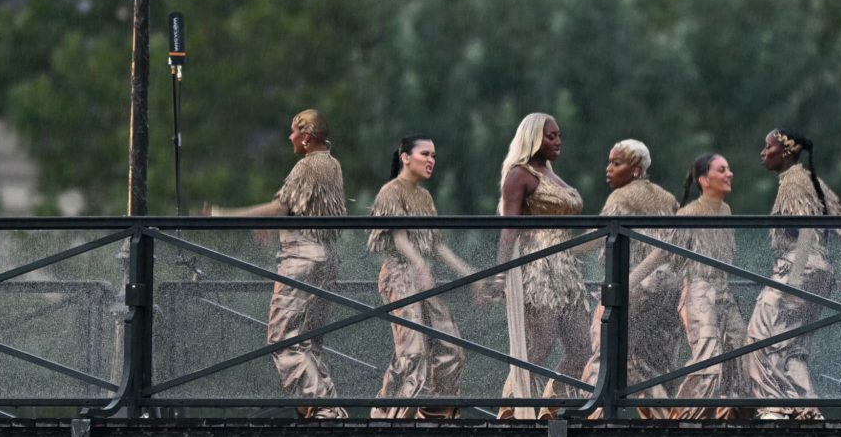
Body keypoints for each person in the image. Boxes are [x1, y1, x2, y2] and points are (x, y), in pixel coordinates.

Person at [204, 108, 348, 419]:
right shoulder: (332, 165)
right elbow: (303, 209)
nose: (290, 137)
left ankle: (323, 409)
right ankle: (326, 408)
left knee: (283, 338)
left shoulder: (307, 166)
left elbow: (281, 206)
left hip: (301, 259)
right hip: (326, 256)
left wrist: (223, 215)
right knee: (309, 343)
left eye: (294, 132)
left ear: (307, 137)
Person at [480, 113, 591, 420]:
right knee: (540, 344)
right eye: (550, 136)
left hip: (567, 269)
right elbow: (509, 227)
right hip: (537, 267)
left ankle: (551, 404)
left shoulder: (551, 174)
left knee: (582, 345)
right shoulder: (520, 175)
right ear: (533, 138)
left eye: (558, 136)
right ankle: (511, 409)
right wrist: (501, 275)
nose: (558, 141)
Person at [747, 129, 841, 420]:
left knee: (760, 336)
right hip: (820, 271)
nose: (763, 152)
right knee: (794, 349)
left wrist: (795, 280)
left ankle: (774, 409)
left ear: (785, 152)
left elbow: (808, 227)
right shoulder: (812, 180)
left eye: (768, 146)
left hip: (797, 269)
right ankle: (806, 410)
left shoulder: (795, 181)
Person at [367, 134, 479, 419]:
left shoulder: (424, 197)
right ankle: (386, 416)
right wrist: (420, 266)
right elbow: (400, 237)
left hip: (422, 275)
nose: (431, 161)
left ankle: (436, 415)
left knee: (451, 346)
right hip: (399, 275)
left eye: (434, 156)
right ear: (405, 157)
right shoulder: (391, 191)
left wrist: (470, 273)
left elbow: (436, 245)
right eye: (425, 154)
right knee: (412, 351)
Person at [631, 153, 749, 419]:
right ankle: (682, 418)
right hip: (699, 292)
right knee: (708, 358)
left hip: (724, 293)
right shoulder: (688, 213)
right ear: (704, 180)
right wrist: (629, 283)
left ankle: (731, 417)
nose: (729, 174)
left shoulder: (726, 211)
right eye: (722, 170)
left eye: (729, 169)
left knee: (741, 352)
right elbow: (661, 254)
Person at [578, 139, 682, 419]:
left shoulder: (621, 197)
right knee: (650, 359)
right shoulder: (668, 197)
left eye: (616, 163)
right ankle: (665, 420)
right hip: (670, 286)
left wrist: (560, 248)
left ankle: (592, 413)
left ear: (636, 170)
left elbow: (599, 237)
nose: (608, 169)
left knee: (605, 343)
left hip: (637, 284)